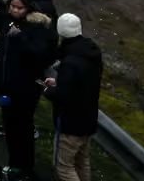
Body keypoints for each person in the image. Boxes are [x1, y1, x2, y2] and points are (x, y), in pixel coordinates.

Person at [0, 0, 56, 181]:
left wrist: (20, 38)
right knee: (10, 128)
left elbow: (41, 55)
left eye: (19, 7)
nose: (14, 10)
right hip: (6, 85)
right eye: (12, 6)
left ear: (28, 8)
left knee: (22, 128)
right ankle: (14, 166)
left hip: (25, 89)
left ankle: (25, 168)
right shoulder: (8, 21)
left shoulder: (37, 28)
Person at [42, 13, 103, 181]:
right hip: (88, 117)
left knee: (63, 167)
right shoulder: (91, 53)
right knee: (82, 162)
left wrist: (49, 91)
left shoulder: (69, 62)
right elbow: (80, 84)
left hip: (70, 122)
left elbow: (64, 96)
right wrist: (59, 82)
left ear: (61, 32)